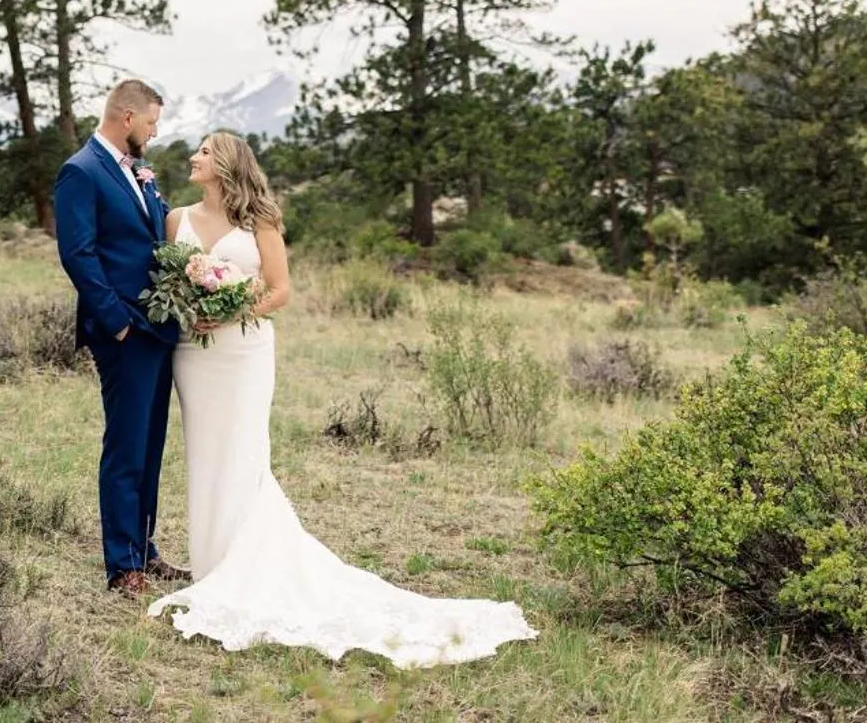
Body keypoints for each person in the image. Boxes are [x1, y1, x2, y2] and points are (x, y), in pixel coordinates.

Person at [147, 131, 537, 667]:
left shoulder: (260, 220)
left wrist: (231, 310)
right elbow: (169, 278)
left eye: (205, 152)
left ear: (229, 163)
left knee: (243, 451)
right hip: (195, 353)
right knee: (205, 453)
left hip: (243, 351)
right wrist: (193, 308)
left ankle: (246, 564)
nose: (194, 157)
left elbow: (279, 290)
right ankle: (212, 564)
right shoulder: (176, 221)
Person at [53, 78, 185, 595]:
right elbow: (78, 254)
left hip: (158, 329)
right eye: (151, 123)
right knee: (126, 446)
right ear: (127, 118)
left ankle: (144, 549)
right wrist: (118, 321)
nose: (154, 133)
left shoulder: (137, 172)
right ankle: (123, 565)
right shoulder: (81, 171)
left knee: (150, 445)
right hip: (124, 332)